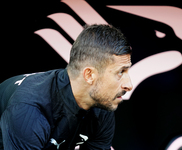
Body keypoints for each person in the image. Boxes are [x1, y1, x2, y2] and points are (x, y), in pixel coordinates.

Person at [0, 24, 133, 150]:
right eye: (120, 72)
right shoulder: (29, 110)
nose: (129, 85)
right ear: (89, 75)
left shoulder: (102, 106)